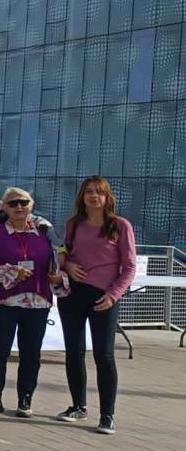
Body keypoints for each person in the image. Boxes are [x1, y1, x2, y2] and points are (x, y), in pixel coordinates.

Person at [56, 176, 136, 436]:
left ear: (107, 197)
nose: (94, 196)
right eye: (89, 192)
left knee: (104, 355)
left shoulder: (120, 226)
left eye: (99, 193)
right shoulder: (72, 224)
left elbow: (130, 267)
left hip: (103, 298)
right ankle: (78, 406)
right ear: (82, 196)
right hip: (72, 296)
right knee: (74, 352)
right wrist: (67, 265)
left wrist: (114, 294)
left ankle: (107, 415)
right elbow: (62, 254)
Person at [0, 187, 62, 417]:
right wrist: (10, 272)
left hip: (37, 300)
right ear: (4, 207)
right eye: (13, 203)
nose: (19, 207)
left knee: (31, 353)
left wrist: (57, 274)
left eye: (23, 202)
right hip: (5, 300)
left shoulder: (45, 232)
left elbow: (58, 260)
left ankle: (25, 398)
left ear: (31, 205)